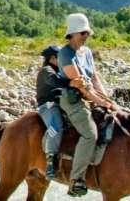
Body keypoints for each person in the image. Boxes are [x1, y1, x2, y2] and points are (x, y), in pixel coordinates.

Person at [57, 13, 117, 197]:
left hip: (91, 96)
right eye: (83, 33)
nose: (86, 36)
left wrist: (108, 99)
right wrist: (100, 102)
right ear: (73, 33)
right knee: (90, 134)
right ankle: (76, 179)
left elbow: (94, 79)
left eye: (87, 33)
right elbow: (81, 85)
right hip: (73, 99)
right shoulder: (65, 54)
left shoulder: (87, 52)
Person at [36, 45, 65, 179]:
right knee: (56, 128)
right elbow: (55, 82)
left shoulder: (58, 70)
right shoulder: (46, 70)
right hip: (48, 106)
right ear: (53, 58)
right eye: (61, 57)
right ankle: (50, 161)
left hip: (61, 104)